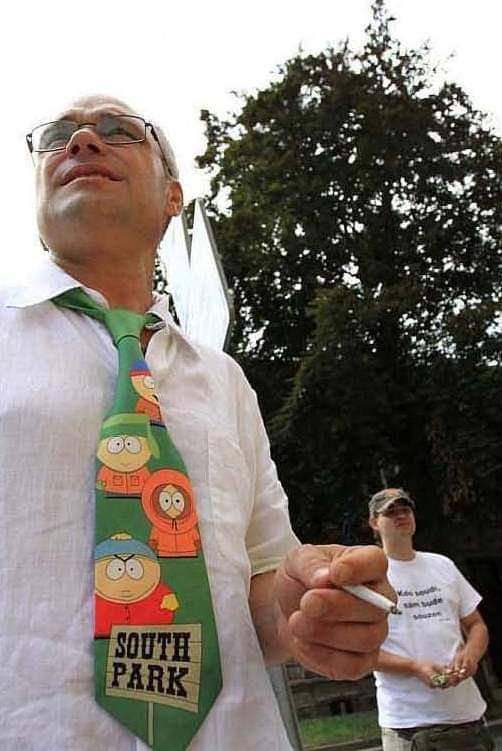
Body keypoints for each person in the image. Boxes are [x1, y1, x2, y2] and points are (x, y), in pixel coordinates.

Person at [0, 95, 394, 751]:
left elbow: (260, 586)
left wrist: (309, 610)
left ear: (172, 196)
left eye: (118, 130)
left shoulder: (225, 381)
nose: (83, 142)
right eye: (59, 134)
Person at [369, 488, 493, 751]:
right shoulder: (370, 577)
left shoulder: (443, 565)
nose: (401, 515)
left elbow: (477, 626)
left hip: (468, 720)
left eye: (405, 509)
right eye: (390, 512)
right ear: (374, 523)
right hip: (409, 727)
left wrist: (470, 656)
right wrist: (414, 667)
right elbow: (362, 651)